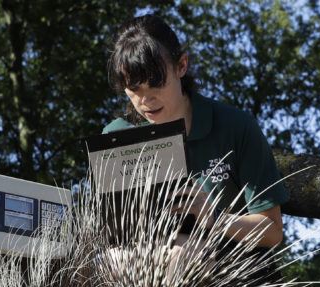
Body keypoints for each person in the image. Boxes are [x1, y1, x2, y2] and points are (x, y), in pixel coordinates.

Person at [103, 14, 287, 250]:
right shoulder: (117, 136)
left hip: (222, 269)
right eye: (134, 88)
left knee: (179, 256)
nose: (146, 100)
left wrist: (216, 218)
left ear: (181, 66)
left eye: (156, 84)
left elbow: (272, 230)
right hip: (141, 264)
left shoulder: (236, 125)